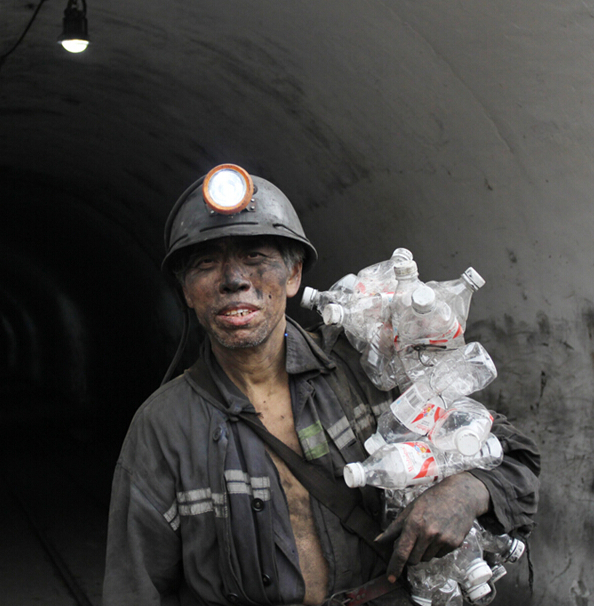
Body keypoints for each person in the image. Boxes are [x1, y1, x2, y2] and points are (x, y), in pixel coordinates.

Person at [103, 164, 539, 606]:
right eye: (205, 263)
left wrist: (465, 492)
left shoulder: (372, 372)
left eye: (256, 258)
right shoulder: (163, 425)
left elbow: (515, 457)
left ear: (293, 277)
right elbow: (135, 586)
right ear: (186, 291)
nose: (234, 279)